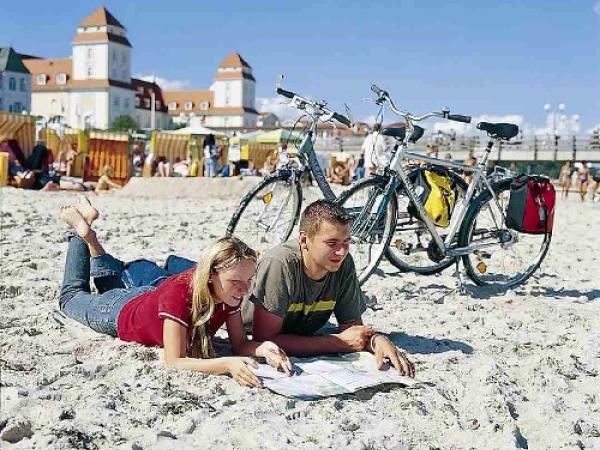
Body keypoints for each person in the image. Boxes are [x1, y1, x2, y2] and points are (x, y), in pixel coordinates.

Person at [58, 196, 291, 386]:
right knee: (71, 299)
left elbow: (240, 344)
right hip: (121, 313)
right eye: (236, 281)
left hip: (146, 300)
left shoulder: (230, 293)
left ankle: (90, 234)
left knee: (109, 287)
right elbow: (175, 360)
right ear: (211, 274)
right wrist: (226, 365)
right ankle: (79, 234)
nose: (244, 288)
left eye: (250, 280)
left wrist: (264, 348)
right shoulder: (181, 293)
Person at [243, 199, 415, 377]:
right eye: (332, 243)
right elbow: (265, 339)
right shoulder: (279, 264)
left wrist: (376, 340)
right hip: (250, 329)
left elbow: (353, 330)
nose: (341, 252)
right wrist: (337, 343)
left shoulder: (342, 263)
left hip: (301, 331)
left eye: (346, 242)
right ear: (304, 240)